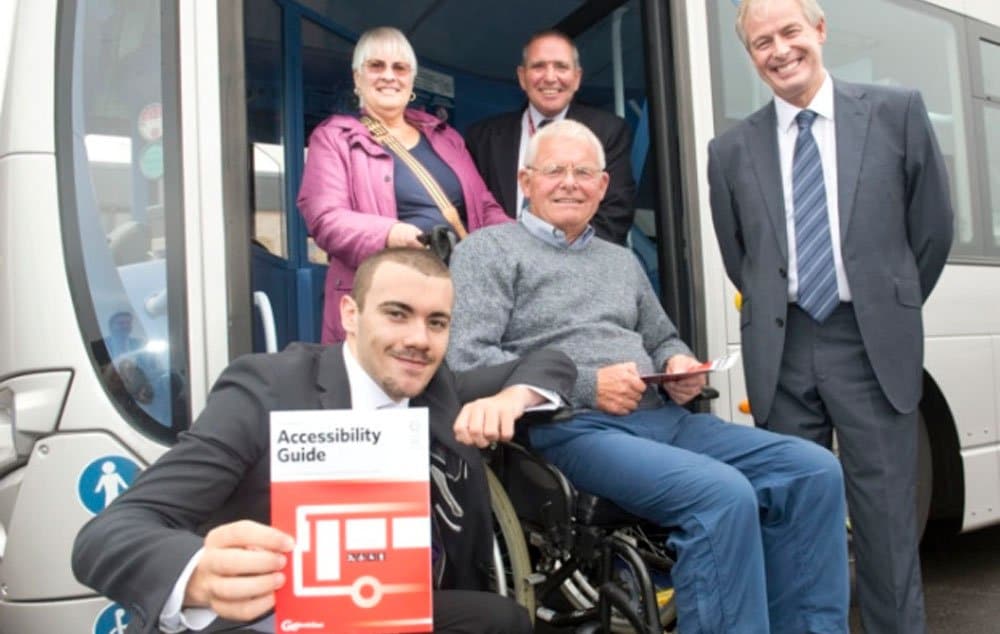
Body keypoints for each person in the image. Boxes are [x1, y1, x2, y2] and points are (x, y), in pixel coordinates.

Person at [447, 119, 849, 634]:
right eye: (554, 170)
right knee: (720, 494)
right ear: (527, 182)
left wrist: (679, 365)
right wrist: (590, 385)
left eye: (583, 172)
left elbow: (661, 339)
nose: (569, 181)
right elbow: (469, 361)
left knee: (812, 470)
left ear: (602, 186)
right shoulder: (487, 251)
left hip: (665, 419)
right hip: (570, 428)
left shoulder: (622, 261)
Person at [72, 248, 576, 634]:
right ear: (351, 315)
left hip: (385, 606)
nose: (420, 339)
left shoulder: (438, 387)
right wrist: (198, 571)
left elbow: (552, 362)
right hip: (271, 616)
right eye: (397, 314)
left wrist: (512, 398)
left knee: (502, 619)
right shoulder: (268, 388)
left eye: (437, 322)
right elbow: (108, 534)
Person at [707, 1, 954, 631]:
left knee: (887, 526)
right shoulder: (730, 149)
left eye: (790, 32)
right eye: (761, 42)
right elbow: (744, 259)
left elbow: (931, 231)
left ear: (819, 31)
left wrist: (884, 303)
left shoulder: (896, 112)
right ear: (751, 56)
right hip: (783, 351)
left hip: (869, 345)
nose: (779, 50)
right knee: (795, 525)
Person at [297, 26, 511, 343]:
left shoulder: (445, 135)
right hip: (383, 298)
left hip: (457, 292)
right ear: (357, 78)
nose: (389, 76)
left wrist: (517, 241)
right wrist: (392, 235)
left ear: (411, 79)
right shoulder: (334, 137)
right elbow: (326, 219)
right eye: (376, 66)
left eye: (399, 68)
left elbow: (483, 207)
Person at [464, 30, 636, 245]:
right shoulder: (483, 137)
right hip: (502, 266)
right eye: (539, 66)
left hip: (578, 268)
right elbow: (472, 208)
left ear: (577, 78)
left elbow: (615, 215)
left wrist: (554, 261)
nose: (550, 77)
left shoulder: (608, 131)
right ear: (522, 77)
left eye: (561, 67)